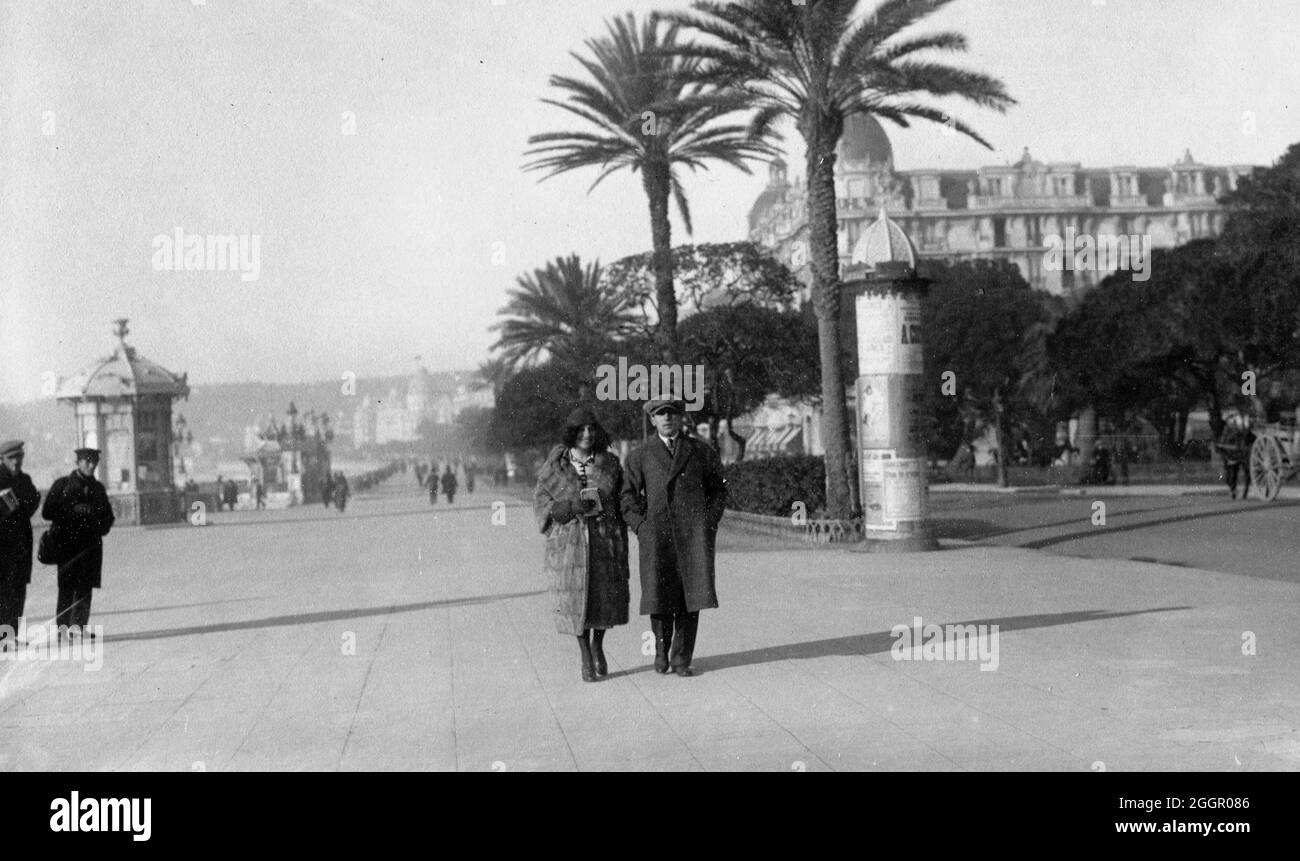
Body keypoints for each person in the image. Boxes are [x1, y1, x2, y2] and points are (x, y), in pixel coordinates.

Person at [621, 399, 727, 678]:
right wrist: (641, 527)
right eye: (660, 414)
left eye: (671, 412)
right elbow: (627, 497)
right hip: (657, 538)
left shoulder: (701, 451)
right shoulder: (640, 455)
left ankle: (681, 658)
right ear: (652, 420)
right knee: (659, 597)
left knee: (690, 598)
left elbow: (719, 490)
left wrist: (708, 521)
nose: (667, 418)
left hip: (693, 536)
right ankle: (660, 651)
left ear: (680, 417)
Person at [534, 408, 630, 682]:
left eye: (591, 429)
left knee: (603, 597)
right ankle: (585, 652)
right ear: (572, 432)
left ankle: (598, 643)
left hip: (603, 538)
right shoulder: (555, 466)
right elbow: (541, 503)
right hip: (569, 543)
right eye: (581, 429)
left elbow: (623, 498)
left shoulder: (610, 463)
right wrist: (567, 507)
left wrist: (610, 511)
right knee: (575, 599)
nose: (587, 434)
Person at [41, 448, 114, 636]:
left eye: (94, 462)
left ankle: (79, 627)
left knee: (85, 588)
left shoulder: (98, 489)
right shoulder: (62, 485)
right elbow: (47, 512)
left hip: (90, 546)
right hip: (67, 546)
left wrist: (95, 520)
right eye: (87, 462)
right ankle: (63, 629)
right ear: (78, 463)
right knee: (66, 588)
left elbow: (108, 518)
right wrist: (73, 510)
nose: (91, 466)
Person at [0, 440, 41, 650]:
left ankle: (11, 636)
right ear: (2, 459)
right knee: (4, 591)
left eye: (19, 457)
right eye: (11, 458)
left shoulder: (25, 480)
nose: (16, 461)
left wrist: (20, 505)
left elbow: (33, 501)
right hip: (2, 546)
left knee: (18, 591)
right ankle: (3, 638)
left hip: (21, 545)